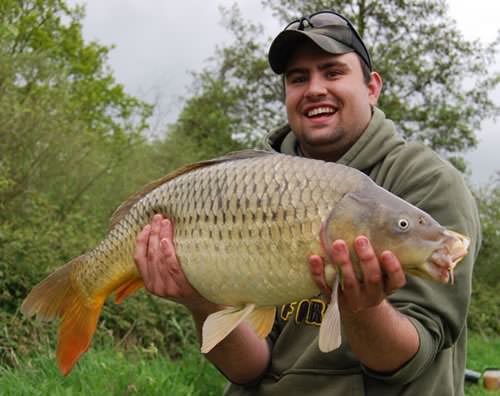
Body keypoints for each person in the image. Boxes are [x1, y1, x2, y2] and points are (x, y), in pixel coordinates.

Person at [133, 9, 481, 396]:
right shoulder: (254, 185)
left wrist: (360, 307)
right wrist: (199, 302)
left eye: (332, 72)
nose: (315, 88)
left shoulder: (425, 181)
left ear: (372, 87)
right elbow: (249, 369)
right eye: (298, 79)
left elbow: (407, 361)